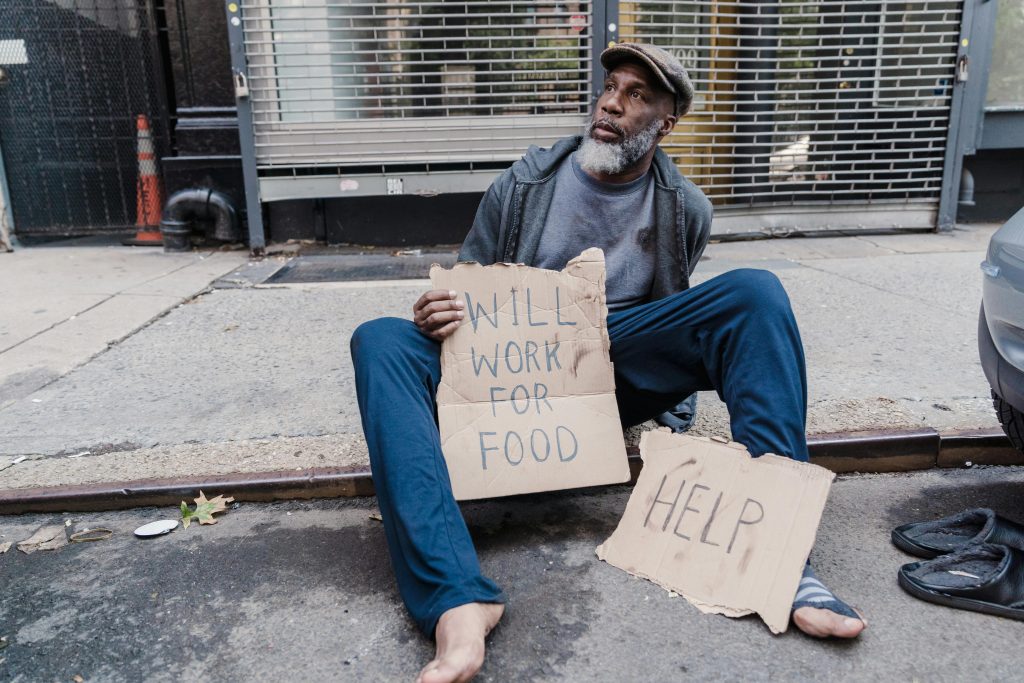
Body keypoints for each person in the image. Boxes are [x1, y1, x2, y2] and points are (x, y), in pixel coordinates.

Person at [351, 42, 866, 683]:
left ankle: (781, 559)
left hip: (618, 367)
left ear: (665, 123)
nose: (610, 103)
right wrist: (439, 308)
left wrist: (667, 424)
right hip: (511, 374)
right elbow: (465, 285)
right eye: (610, 86)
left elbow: (674, 317)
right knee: (379, 340)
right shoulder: (527, 181)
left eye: (636, 95)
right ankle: (456, 598)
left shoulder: (686, 207)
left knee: (755, 292)